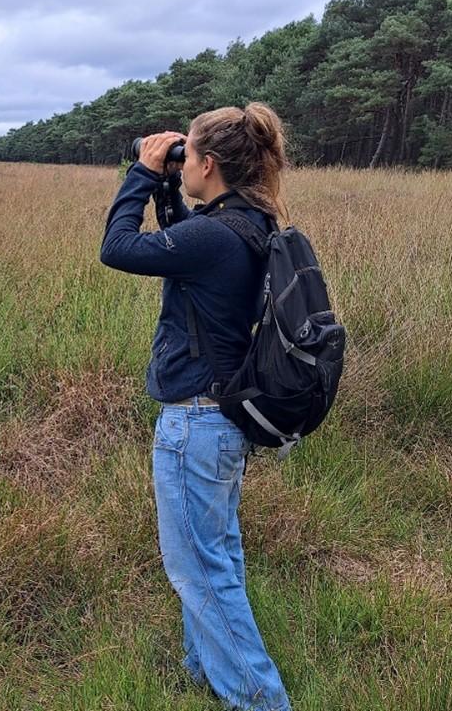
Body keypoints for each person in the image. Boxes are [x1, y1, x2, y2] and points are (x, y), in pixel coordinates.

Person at [99, 104, 293, 711]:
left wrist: (140, 174)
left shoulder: (214, 235)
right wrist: (165, 188)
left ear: (206, 165)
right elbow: (187, 246)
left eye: (185, 154)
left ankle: (260, 700)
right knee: (218, 554)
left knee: (199, 570)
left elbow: (117, 248)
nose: (178, 163)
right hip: (223, 419)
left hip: (196, 422)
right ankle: (203, 669)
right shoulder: (249, 223)